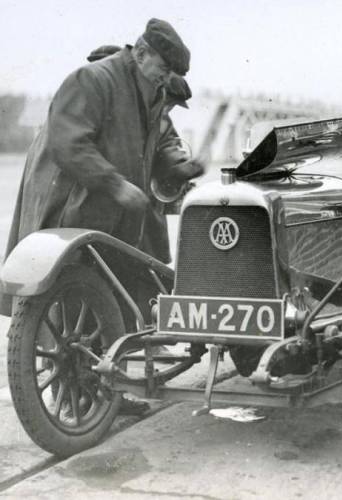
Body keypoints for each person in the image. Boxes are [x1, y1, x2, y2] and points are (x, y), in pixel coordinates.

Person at [0, 18, 204, 316]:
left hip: (110, 217)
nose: (166, 78)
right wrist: (116, 184)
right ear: (141, 53)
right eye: (164, 68)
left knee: (105, 303)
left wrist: (180, 167)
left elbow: (160, 143)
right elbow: (68, 144)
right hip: (73, 212)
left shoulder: (151, 93)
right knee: (65, 298)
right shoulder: (93, 80)